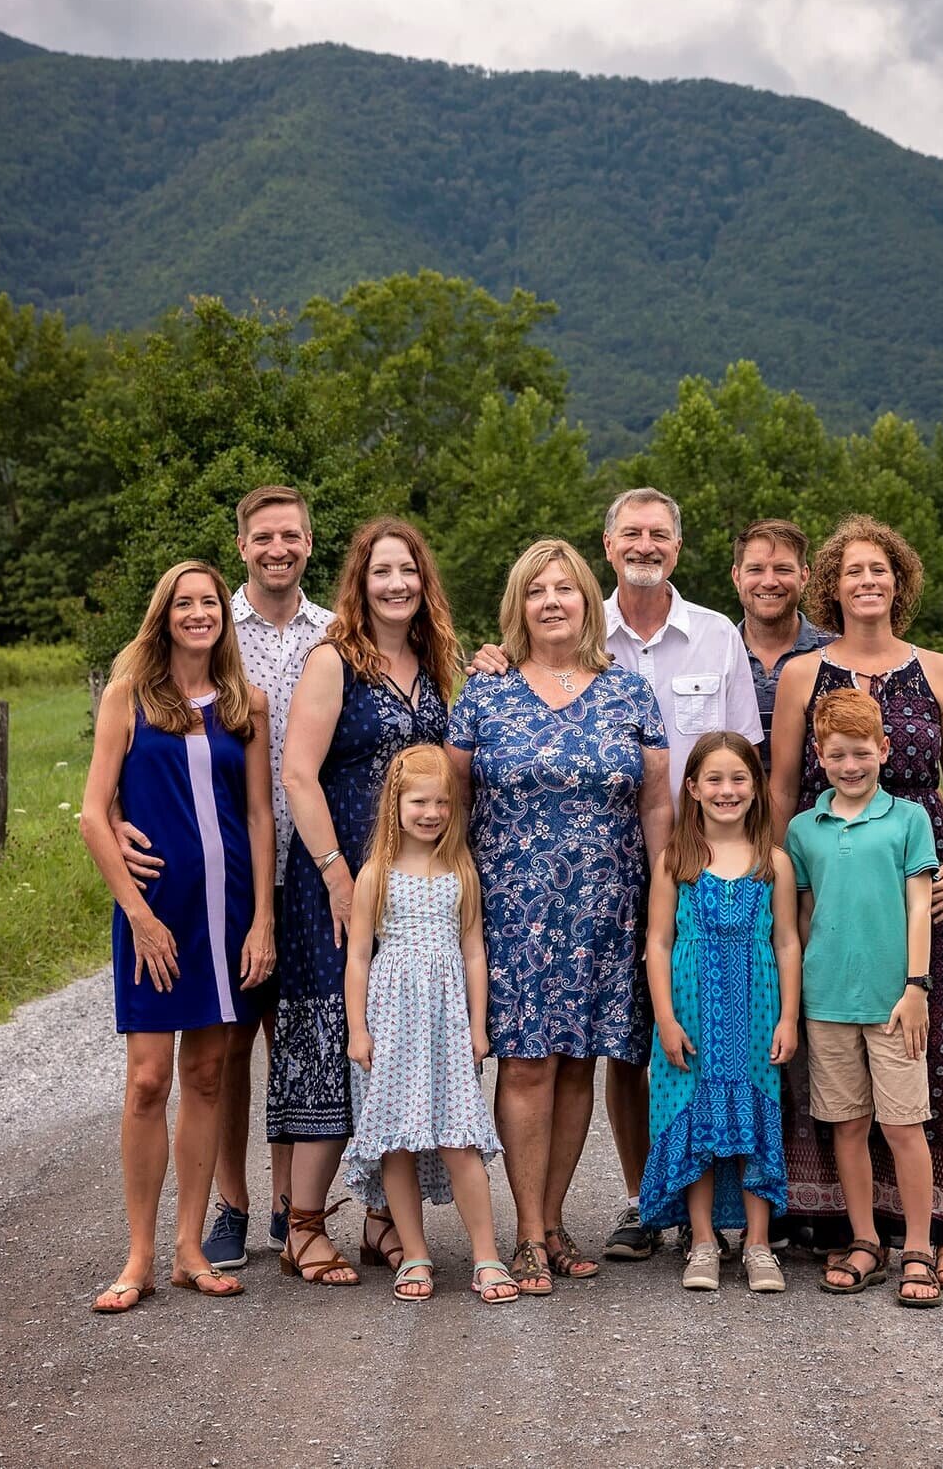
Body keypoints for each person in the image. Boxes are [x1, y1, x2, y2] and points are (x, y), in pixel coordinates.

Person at [447, 538, 671, 1295]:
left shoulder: (629, 694)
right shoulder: (484, 693)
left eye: (565, 589)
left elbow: (657, 806)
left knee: (581, 1063)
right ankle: (522, 1232)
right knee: (527, 1062)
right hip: (513, 911)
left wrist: (662, 909)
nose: (551, 601)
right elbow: (451, 807)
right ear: (519, 606)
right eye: (535, 590)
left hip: (607, 907)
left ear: (586, 602)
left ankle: (551, 1222)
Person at [768, 514, 943, 1292]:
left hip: (924, 885)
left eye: (880, 570)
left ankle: (939, 1230)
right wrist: (776, 874)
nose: (867, 582)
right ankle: (846, 1226)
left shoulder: (939, 670)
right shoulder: (804, 673)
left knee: (925, 1050)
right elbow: (781, 785)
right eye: (853, 571)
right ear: (833, 584)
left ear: (900, 581)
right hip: (829, 884)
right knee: (834, 1063)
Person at [119, 487, 330, 1271]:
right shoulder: (205, 623)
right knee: (226, 1048)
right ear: (242, 545)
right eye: (263, 537)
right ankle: (230, 1205)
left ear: (310, 543)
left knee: (303, 1040)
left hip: (308, 869)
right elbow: (125, 762)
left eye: (291, 536)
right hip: (219, 880)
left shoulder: (334, 635)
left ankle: (292, 1204)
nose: (278, 548)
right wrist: (110, 824)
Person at [79, 561, 277, 1307]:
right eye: (184, 604)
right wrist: (137, 911)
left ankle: (191, 1249)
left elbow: (259, 817)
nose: (199, 614)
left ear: (224, 616)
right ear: (163, 616)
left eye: (210, 603)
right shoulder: (128, 697)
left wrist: (262, 919)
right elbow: (95, 815)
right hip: (155, 915)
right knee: (147, 1080)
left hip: (226, 914)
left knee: (206, 1076)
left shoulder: (243, 703)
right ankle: (138, 1257)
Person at [271, 518, 456, 1284]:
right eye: (382, 572)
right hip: (336, 888)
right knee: (329, 1038)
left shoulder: (434, 663)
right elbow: (297, 774)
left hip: (415, 886)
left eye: (408, 571)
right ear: (360, 580)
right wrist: (338, 876)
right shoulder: (333, 660)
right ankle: (305, 1224)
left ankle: (386, 1217)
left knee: (401, 1040)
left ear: (424, 581)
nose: (396, 585)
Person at [341, 744, 517, 1304]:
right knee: (397, 1141)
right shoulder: (374, 875)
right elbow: (359, 958)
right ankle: (414, 1254)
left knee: (459, 1136)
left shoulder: (461, 870)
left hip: (446, 1023)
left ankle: (486, 1255)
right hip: (392, 1023)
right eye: (419, 801)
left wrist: (478, 1025)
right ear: (396, 803)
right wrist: (357, 1030)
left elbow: (473, 954)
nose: (431, 812)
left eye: (442, 802)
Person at [785, 688, 943, 1307]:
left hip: (892, 1003)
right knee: (847, 1127)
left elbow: (919, 906)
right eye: (836, 756)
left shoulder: (908, 820)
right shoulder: (804, 829)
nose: (850, 766)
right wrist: (795, 1001)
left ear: (884, 749)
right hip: (826, 1003)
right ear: (819, 757)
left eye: (861, 754)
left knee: (904, 1127)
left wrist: (917, 987)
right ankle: (864, 1240)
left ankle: (921, 1249)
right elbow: (799, 920)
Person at [641, 731, 801, 1293]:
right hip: (691, 1013)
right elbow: (658, 942)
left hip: (755, 1014)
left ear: (756, 788)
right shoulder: (676, 860)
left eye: (739, 779)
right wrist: (664, 1017)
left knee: (755, 1123)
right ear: (692, 788)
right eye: (714, 779)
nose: (727, 790)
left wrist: (788, 1017)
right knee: (697, 1122)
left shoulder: (773, 862)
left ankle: (757, 1244)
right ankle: (704, 1239)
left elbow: (786, 942)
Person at [731, 519, 831, 773]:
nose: (769, 581)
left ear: (804, 576)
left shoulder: (836, 653)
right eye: (755, 570)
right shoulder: (714, 652)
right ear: (736, 576)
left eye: (783, 569)